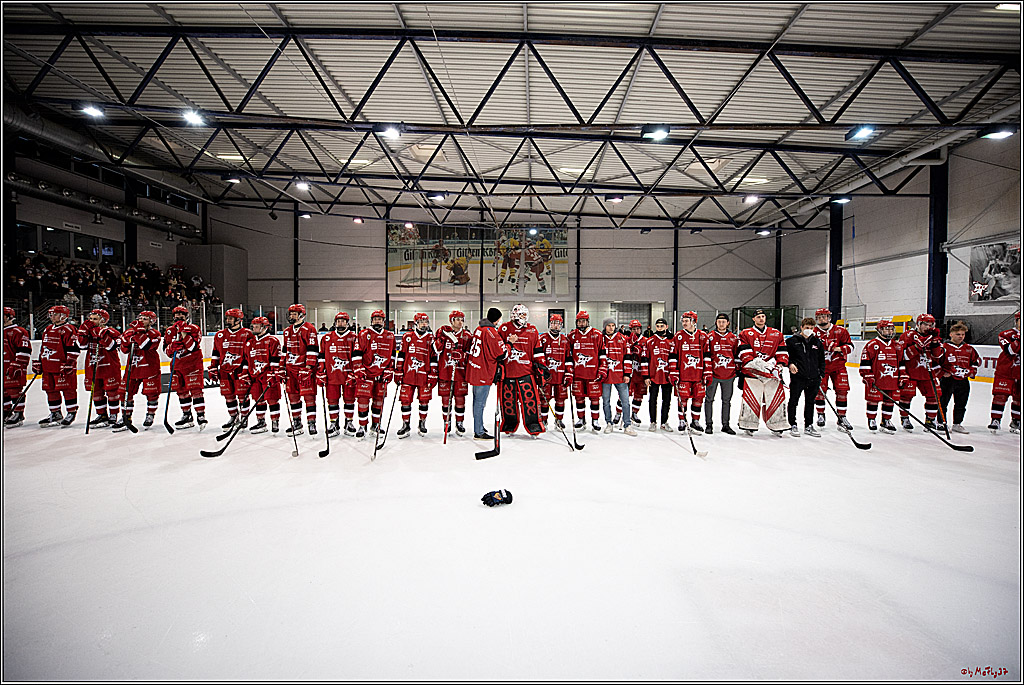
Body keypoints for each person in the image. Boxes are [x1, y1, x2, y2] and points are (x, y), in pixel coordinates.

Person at [736, 308, 790, 436]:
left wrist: (779, 365)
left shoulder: (776, 333)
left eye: (763, 316)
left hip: (772, 374)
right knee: (751, 399)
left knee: (775, 399)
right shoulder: (745, 333)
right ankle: (748, 424)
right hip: (752, 373)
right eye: (758, 317)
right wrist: (759, 364)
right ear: (753, 319)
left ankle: (778, 424)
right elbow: (744, 352)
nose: (761, 319)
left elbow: (782, 351)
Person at [497, 304, 547, 435]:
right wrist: (497, 367)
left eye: (525, 314)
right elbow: (498, 349)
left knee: (530, 400)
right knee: (508, 401)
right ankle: (509, 424)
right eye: (522, 314)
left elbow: (538, 350)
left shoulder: (532, 330)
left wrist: (541, 365)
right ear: (515, 315)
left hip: (526, 372)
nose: (524, 317)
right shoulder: (504, 328)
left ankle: (534, 425)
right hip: (508, 372)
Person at [34, 304, 81, 427]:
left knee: (68, 389)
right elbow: (44, 347)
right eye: (51, 314)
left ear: (64, 316)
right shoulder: (48, 329)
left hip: (62, 367)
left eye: (55, 314)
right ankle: (55, 413)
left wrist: (69, 363)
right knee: (50, 389)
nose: (52, 316)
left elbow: (74, 348)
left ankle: (71, 412)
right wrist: (39, 361)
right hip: (48, 366)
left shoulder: (69, 329)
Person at [351, 310, 396, 438]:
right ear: (371, 321)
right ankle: (362, 425)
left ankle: (376, 425)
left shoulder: (390, 336)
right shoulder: (364, 334)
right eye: (375, 319)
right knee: (363, 400)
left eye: (380, 319)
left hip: (381, 375)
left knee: (378, 401)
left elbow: (393, 354)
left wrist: (389, 370)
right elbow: (356, 353)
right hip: (366, 374)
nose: (377, 321)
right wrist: (358, 369)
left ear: (383, 321)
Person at [898, 313, 946, 431]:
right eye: (925, 324)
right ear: (919, 324)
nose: (928, 327)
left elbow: (937, 355)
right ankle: (905, 419)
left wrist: (935, 343)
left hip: (927, 372)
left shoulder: (933, 336)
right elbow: (904, 355)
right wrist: (920, 344)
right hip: (910, 372)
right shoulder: (908, 335)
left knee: (934, 396)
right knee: (906, 396)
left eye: (931, 325)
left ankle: (930, 420)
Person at [163, 305, 208, 430]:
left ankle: (200, 416)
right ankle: (187, 415)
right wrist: (172, 347)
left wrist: (184, 333)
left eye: (181, 314)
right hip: (177, 366)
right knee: (181, 391)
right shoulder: (169, 331)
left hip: (193, 365)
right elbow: (166, 351)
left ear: (187, 316)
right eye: (176, 314)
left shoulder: (194, 328)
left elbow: (192, 347)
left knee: (196, 390)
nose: (179, 316)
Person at [114, 311, 161, 431]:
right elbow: (124, 350)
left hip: (149, 367)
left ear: (151, 321)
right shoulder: (130, 332)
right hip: (133, 367)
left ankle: (150, 414)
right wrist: (127, 340)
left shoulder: (155, 334)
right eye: (140, 318)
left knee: (151, 393)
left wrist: (138, 333)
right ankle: (126, 417)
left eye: (145, 319)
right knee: (125, 392)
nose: (141, 321)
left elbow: (146, 345)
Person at [211, 308, 255, 431]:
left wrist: (247, 369)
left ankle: (244, 417)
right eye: (227, 318)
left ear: (238, 320)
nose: (228, 320)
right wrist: (213, 367)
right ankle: (233, 417)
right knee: (228, 395)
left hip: (240, 370)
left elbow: (250, 353)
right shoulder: (220, 334)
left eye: (231, 318)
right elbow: (215, 352)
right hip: (224, 370)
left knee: (242, 395)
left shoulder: (247, 333)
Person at [78, 309, 122, 429]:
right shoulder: (88, 332)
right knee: (96, 392)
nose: (91, 321)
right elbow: (82, 346)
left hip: (109, 366)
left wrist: (101, 334)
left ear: (103, 320)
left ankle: (113, 415)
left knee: (112, 391)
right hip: (93, 366)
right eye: (90, 319)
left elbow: (112, 346)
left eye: (95, 319)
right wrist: (82, 333)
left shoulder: (112, 331)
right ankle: (101, 415)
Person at [466, 307, 507, 440]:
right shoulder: (491, 332)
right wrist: (510, 344)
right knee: (480, 403)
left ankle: (479, 426)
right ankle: (478, 431)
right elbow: (502, 354)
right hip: (483, 372)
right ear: (497, 320)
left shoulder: (479, 329)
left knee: (476, 401)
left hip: (475, 369)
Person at [395, 313, 438, 438]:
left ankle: (422, 422)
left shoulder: (431, 338)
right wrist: (398, 370)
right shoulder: (407, 336)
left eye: (426, 322)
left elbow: (434, 357)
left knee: (424, 400)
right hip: (408, 374)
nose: (424, 324)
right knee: (405, 400)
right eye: (421, 322)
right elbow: (401, 354)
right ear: (415, 324)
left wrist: (433, 373)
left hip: (424, 375)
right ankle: (405, 424)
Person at [812, 307, 854, 432]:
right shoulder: (813, 332)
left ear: (829, 317)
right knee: (820, 392)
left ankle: (842, 417)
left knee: (842, 391)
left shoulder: (841, 331)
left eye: (824, 316)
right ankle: (820, 414)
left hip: (838, 366)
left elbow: (850, 347)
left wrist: (838, 348)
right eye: (819, 317)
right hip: (820, 367)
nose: (822, 319)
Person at [318, 312, 358, 437]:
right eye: (338, 321)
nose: (341, 324)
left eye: (343, 321)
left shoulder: (354, 337)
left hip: (348, 375)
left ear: (348, 323)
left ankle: (349, 422)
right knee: (332, 399)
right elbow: (322, 356)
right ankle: (333, 423)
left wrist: (354, 372)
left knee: (349, 399)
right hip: (332, 375)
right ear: (335, 323)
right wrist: (321, 372)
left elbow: (357, 357)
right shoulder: (327, 338)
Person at [433, 310, 473, 436]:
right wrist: (441, 337)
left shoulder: (467, 336)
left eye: (462, 319)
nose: (460, 322)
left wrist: (463, 355)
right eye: (457, 319)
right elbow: (436, 350)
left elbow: (472, 354)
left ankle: (459, 423)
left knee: (460, 399)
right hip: (445, 372)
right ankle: (447, 422)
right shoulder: (444, 333)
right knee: (446, 399)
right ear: (451, 321)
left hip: (460, 373)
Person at [859, 318, 903, 433]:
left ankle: (886, 420)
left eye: (891, 329)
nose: (889, 331)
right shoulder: (872, 345)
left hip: (892, 379)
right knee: (873, 400)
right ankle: (871, 419)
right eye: (886, 329)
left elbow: (901, 362)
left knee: (890, 400)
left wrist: (903, 376)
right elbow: (865, 362)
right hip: (876, 379)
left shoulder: (897, 346)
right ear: (879, 330)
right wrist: (867, 375)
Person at [282, 304, 319, 437]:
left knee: (309, 396)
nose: (291, 316)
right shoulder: (287, 331)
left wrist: (309, 367)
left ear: (301, 315)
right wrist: (281, 367)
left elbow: (313, 348)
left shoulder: (309, 329)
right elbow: (285, 350)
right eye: (291, 313)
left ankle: (311, 422)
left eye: (294, 314)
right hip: (290, 369)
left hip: (304, 370)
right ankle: (297, 422)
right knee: (293, 396)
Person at [786, 318, 826, 437]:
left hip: (814, 378)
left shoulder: (817, 342)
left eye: (811, 328)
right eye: (807, 328)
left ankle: (808, 425)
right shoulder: (792, 341)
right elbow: (786, 356)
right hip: (798, 377)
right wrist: (790, 364)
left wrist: (821, 374)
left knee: (810, 402)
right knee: (793, 401)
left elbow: (822, 360)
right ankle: (792, 424)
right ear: (802, 327)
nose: (809, 330)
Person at [671, 311, 710, 434]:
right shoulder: (678, 336)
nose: (684, 323)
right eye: (683, 321)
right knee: (682, 398)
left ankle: (695, 421)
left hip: (698, 375)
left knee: (698, 399)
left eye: (686, 321)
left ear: (693, 321)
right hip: (684, 375)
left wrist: (708, 372)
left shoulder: (703, 336)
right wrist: (673, 372)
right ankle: (682, 421)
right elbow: (673, 355)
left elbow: (707, 355)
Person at [568, 311, 606, 432]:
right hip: (578, 373)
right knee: (579, 398)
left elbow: (602, 353)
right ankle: (581, 419)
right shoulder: (572, 335)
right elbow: (568, 355)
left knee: (594, 398)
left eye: (583, 321)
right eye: (579, 321)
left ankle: (595, 420)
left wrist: (602, 369)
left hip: (593, 373)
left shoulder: (597, 334)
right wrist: (569, 371)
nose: (581, 323)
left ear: (588, 321)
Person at [939, 321, 981, 434]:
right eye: (958, 334)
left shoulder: (969, 348)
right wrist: (942, 372)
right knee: (943, 402)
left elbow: (976, 362)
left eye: (963, 334)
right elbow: (937, 362)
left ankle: (957, 423)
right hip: (948, 380)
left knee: (961, 403)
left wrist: (971, 371)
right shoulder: (943, 347)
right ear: (951, 334)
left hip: (963, 380)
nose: (961, 336)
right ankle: (941, 423)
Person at [244, 316, 283, 434]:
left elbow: (276, 358)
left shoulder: (272, 340)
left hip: (268, 375)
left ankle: (275, 421)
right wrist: (245, 373)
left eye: (257, 326)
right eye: (253, 326)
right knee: (258, 399)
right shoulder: (249, 343)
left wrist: (273, 372)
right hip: (254, 376)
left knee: (272, 399)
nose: (254, 328)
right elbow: (246, 360)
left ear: (264, 328)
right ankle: (261, 422)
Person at [600, 317, 636, 436]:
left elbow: (627, 357)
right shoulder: (600, 339)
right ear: (605, 327)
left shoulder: (622, 339)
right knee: (606, 401)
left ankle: (627, 424)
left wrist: (627, 373)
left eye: (613, 325)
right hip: (606, 376)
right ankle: (609, 423)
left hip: (620, 375)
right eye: (608, 325)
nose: (611, 328)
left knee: (625, 401)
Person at [704, 313, 738, 435]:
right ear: (716, 323)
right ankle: (709, 424)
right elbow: (706, 354)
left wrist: (736, 371)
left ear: (728, 323)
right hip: (713, 374)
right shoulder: (710, 337)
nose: (721, 324)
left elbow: (735, 355)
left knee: (726, 400)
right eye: (719, 322)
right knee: (709, 399)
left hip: (729, 375)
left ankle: (725, 425)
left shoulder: (733, 338)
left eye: (724, 322)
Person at [538, 314, 573, 431]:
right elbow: (538, 358)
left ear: (561, 325)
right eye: (553, 323)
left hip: (560, 376)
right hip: (546, 376)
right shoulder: (543, 338)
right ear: (549, 324)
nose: (555, 326)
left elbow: (568, 359)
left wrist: (569, 373)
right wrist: (540, 373)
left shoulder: (565, 340)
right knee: (544, 399)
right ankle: (544, 420)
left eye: (558, 324)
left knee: (560, 399)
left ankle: (559, 420)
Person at [989, 311, 1020, 434]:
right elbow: (1010, 350)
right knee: (1000, 396)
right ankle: (995, 420)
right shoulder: (1005, 334)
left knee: (1019, 398)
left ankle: (1016, 421)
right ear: (1016, 321)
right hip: (1005, 371)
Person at [641, 318, 675, 431]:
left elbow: (675, 358)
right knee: (652, 400)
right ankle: (653, 422)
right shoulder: (650, 341)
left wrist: (674, 374)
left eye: (662, 326)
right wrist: (646, 376)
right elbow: (645, 359)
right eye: (658, 326)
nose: (659, 328)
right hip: (653, 376)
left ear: (666, 326)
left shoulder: (672, 340)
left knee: (666, 400)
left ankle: (664, 422)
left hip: (667, 376)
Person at [3, 307, 33, 426]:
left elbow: (24, 349)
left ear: (9, 317)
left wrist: (18, 363)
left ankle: (18, 413)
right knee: (3, 392)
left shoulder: (18, 331)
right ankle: (6, 412)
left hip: (12, 367)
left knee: (14, 390)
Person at [615, 320, 647, 427]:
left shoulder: (645, 341)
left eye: (637, 329)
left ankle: (634, 413)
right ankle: (618, 413)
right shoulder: (626, 340)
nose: (636, 331)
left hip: (640, 372)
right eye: (633, 329)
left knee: (639, 395)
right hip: (629, 372)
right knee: (624, 394)